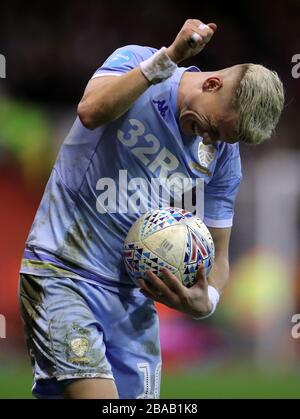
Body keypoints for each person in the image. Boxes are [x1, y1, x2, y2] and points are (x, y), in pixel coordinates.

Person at [19, 19, 284, 399]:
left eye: (220, 137)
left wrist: (207, 300)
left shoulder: (223, 155)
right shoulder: (138, 62)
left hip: (134, 299)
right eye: (211, 127)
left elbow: (220, 258)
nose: (208, 139)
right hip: (63, 273)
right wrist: (168, 59)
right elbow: (91, 110)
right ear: (212, 84)